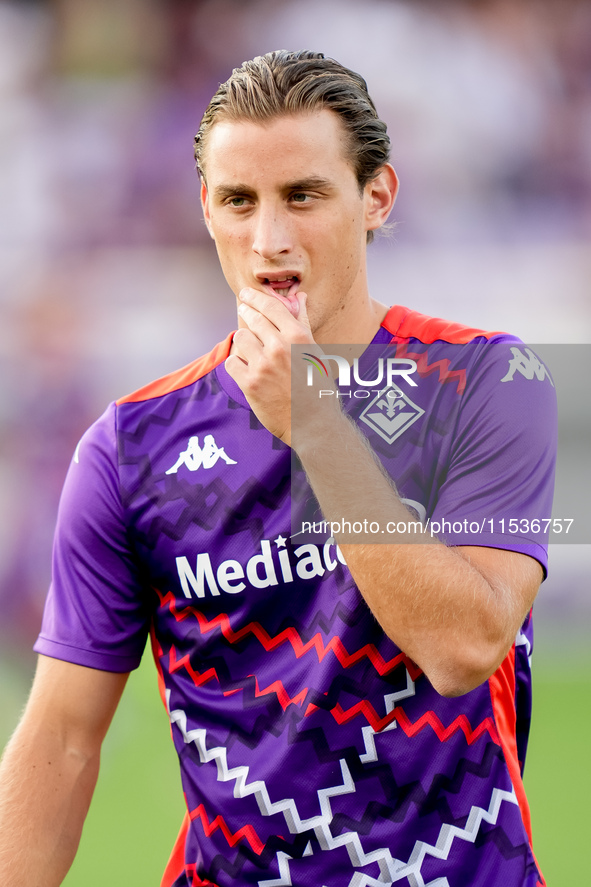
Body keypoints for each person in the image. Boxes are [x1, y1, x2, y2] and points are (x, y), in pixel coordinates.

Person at [0, 50, 556, 887]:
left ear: (376, 196)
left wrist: (315, 425)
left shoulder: (489, 384)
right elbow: (64, 740)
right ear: (206, 211)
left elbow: (463, 644)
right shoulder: (129, 448)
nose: (269, 239)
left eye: (303, 195)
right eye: (238, 201)